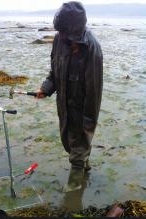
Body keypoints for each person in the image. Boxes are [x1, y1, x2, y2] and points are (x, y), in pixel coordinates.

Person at [37, 1, 103, 191]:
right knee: (68, 141)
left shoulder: (92, 49)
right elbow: (54, 70)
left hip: (82, 106)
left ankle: (74, 188)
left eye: (66, 33)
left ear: (77, 29)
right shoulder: (59, 39)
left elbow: (94, 92)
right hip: (63, 104)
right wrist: (46, 88)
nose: (63, 36)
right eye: (61, 32)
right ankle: (85, 165)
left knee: (79, 142)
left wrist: (88, 123)